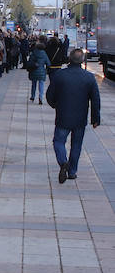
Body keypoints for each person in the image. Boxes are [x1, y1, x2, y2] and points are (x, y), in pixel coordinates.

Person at [46, 49, 101, 183]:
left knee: (58, 141)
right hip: (80, 118)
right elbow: (95, 100)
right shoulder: (89, 77)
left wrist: (55, 105)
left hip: (63, 116)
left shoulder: (60, 75)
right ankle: (72, 171)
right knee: (76, 145)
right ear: (82, 60)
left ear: (69, 59)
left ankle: (63, 162)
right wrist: (95, 119)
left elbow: (49, 95)